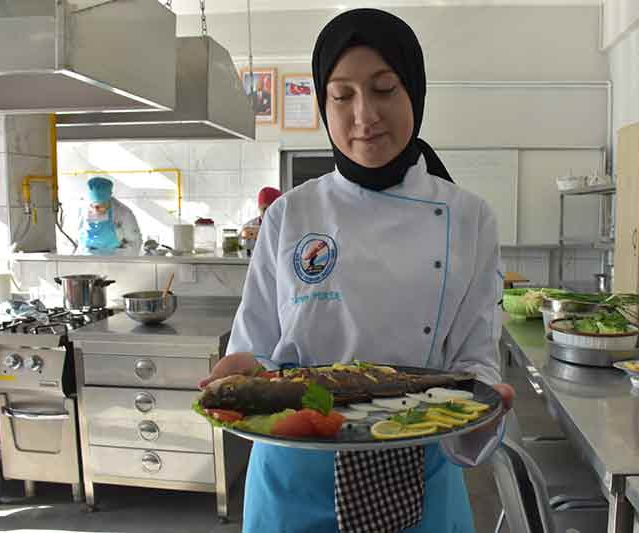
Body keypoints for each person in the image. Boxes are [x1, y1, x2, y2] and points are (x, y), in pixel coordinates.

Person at [199, 9, 515, 533]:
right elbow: (259, 347)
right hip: (295, 476)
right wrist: (243, 369)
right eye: (342, 96)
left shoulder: (469, 217)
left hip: (416, 475)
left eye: (384, 89)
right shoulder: (290, 214)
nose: (364, 115)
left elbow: (474, 362)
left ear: (414, 92)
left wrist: (483, 407)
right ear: (324, 105)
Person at [76, 177, 142, 256]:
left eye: (103, 205)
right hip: (89, 256)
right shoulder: (82, 210)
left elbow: (135, 241)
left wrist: (125, 259)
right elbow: (79, 237)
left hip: (116, 257)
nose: (99, 209)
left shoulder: (123, 213)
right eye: (96, 206)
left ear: (109, 199)